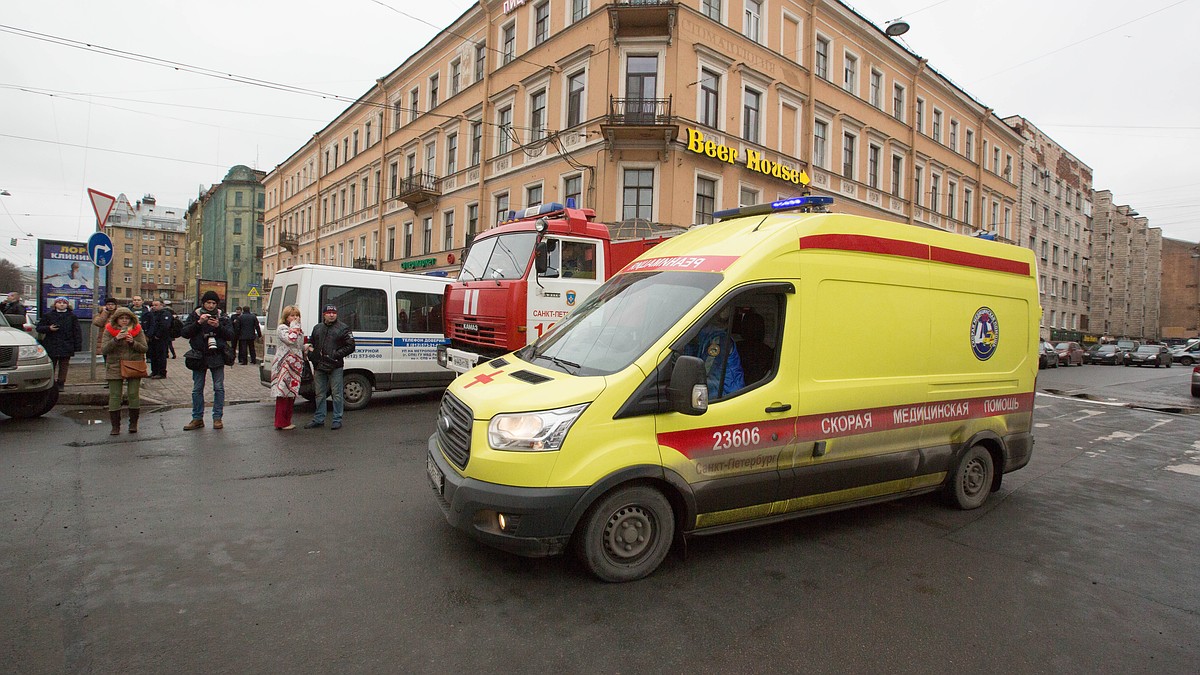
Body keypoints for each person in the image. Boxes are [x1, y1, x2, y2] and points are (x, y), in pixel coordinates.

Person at [181, 290, 235, 430]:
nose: (211, 306)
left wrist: (218, 326)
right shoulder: (195, 315)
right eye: (208, 303)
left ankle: (217, 418)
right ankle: (197, 418)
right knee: (197, 388)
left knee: (218, 387)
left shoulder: (222, 316)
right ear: (203, 303)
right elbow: (185, 333)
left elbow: (231, 335)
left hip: (217, 355)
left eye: (213, 303)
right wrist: (199, 322)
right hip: (199, 356)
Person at [304, 304, 355, 430]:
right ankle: (319, 418)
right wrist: (312, 355)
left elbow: (351, 346)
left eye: (334, 312)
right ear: (324, 314)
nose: (331, 315)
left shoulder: (344, 328)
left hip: (335, 366)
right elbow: (312, 343)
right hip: (319, 366)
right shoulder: (317, 328)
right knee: (320, 394)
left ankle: (337, 419)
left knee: (337, 394)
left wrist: (335, 355)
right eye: (329, 313)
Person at [100, 307, 148, 435]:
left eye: (127, 318)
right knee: (115, 395)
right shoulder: (109, 330)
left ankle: (133, 424)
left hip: (134, 365)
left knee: (133, 394)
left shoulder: (137, 330)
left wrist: (133, 343)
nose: (124, 321)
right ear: (117, 319)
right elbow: (104, 349)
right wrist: (116, 340)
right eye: (122, 318)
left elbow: (144, 348)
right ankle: (115, 426)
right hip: (115, 365)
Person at [683, 306, 744, 400]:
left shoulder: (719, 340)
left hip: (726, 395)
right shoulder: (705, 337)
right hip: (718, 391)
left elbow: (706, 373)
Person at [36, 297, 82, 391]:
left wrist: (77, 345)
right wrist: (49, 328)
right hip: (51, 344)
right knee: (51, 364)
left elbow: (77, 331)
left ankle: (61, 383)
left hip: (66, 344)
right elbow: (39, 328)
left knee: (64, 365)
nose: (61, 304)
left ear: (67, 305)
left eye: (64, 303)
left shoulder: (72, 316)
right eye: (59, 302)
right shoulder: (48, 315)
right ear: (55, 304)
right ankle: (51, 383)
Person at [271, 305, 305, 430]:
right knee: (283, 394)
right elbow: (290, 340)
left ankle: (287, 421)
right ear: (286, 317)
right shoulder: (282, 328)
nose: (295, 318)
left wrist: (306, 347)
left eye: (297, 315)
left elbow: (298, 345)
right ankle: (281, 422)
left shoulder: (297, 330)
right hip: (284, 364)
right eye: (292, 315)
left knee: (291, 394)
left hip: (295, 365)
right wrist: (295, 327)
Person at [143, 299, 170, 379]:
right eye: (152, 305)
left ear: (162, 305)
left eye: (156, 305)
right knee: (153, 355)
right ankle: (154, 371)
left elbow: (165, 326)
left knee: (161, 356)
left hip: (162, 339)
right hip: (152, 338)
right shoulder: (151, 314)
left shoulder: (166, 313)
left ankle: (161, 372)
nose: (154, 307)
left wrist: (158, 335)